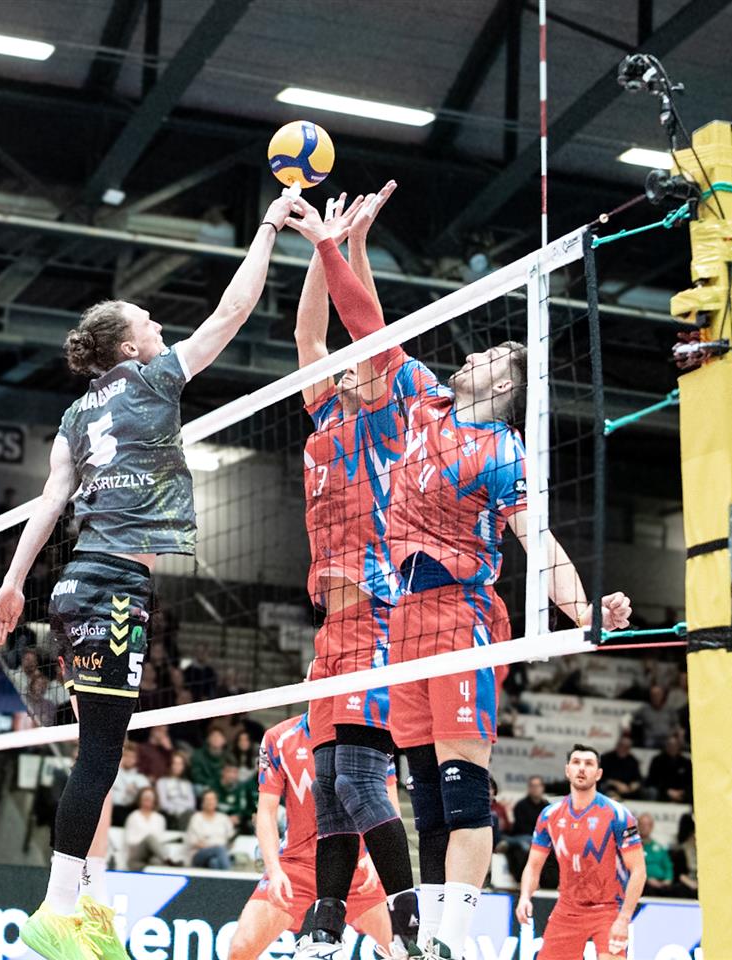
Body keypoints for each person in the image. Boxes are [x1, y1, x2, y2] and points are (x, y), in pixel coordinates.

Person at [290, 188, 635, 957]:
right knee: (423, 790)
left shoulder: (502, 451)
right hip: (401, 624)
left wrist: (584, 614)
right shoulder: (420, 402)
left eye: (488, 359)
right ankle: (433, 935)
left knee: (459, 782)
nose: (472, 357)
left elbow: (537, 540)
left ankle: (454, 934)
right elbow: (368, 328)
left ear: (505, 387)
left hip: (462, 616)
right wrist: (340, 245)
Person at [0, 191, 307, 960]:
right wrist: (268, 225)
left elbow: (50, 502)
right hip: (112, 590)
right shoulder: (155, 378)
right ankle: (56, 912)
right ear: (130, 347)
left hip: (75, 587)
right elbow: (233, 311)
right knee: (101, 756)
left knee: (100, 750)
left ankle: (90, 905)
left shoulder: (74, 417)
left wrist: (14, 581)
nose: (160, 327)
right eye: (149, 322)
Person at [288, 185, 420, 957]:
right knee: (333, 793)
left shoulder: (386, 419)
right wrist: (322, 246)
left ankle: (410, 925)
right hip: (331, 633)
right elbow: (310, 333)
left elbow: (364, 327)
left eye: (355, 364)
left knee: (363, 784)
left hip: (379, 619)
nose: (342, 365)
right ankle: (324, 927)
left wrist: (342, 249)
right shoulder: (324, 412)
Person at [229, 714, 391, 960]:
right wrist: (274, 869)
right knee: (240, 949)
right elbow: (266, 812)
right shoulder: (279, 737)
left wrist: (375, 855)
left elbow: (387, 800)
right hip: (297, 863)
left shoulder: (368, 733)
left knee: (404, 949)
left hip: (355, 864)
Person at [517, 745, 645, 960]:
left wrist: (624, 918)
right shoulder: (549, 815)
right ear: (567, 770)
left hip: (609, 908)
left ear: (599, 773)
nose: (582, 768)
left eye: (589, 764)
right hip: (567, 909)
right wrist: (524, 897)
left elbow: (639, 870)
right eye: (576, 762)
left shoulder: (618, 815)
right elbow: (533, 865)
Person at [502, 775, 550, 882]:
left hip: (542, 838)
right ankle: (523, 878)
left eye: (538, 786)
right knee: (525, 847)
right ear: (529, 788)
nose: (535, 789)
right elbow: (521, 826)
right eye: (532, 786)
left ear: (542, 788)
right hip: (524, 836)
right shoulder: (521, 805)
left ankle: (546, 879)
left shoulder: (547, 806)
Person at [185, 790, 235, 870]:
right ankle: (230, 874)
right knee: (219, 849)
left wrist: (228, 844)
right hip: (199, 854)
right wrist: (214, 847)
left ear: (216, 801)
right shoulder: (196, 818)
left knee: (214, 862)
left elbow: (231, 838)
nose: (210, 802)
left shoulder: (224, 818)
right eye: (207, 799)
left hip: (220, 854)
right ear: (202, 802)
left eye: (212, 799)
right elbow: (192, 842)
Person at [123, 787, 171, 870]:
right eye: (145, 799)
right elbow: (129, 840)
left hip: (152, 855)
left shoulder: (160, 818)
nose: (147, 801)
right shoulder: (133, 816)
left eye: (150, 799)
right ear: (140, 800)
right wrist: (146, 842)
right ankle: (168, 860)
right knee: (150, 838)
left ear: (154, 801)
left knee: (156, 861)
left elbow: (160, 839)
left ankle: (164, 862)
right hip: (137, 854)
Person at [644, 732, 692, 802]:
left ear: (679, 747)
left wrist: (682, 791)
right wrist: (667, 791)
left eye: (675, 745)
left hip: (682, 793)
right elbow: (653, 779)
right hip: (663, 791)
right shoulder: (657, 760)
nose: (672, 747)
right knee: (652, 791)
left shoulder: (686, 762)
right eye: (670, 745)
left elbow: (689, 781)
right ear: (666, 746)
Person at [155, 753, 197, 829]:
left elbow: (191, 804)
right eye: (175, 763)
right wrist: (178, 810)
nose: (177, 767)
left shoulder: (187, 784)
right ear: (170, 765)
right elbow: (163, 803)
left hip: (186, 814)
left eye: (180, 764)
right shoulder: (162, 782)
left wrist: (180, 809)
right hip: (169, 815)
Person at [637, 812, 674, 895]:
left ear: (652, 827)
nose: (644, 827)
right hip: (644, 883)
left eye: (648, 825)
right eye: (642, 824)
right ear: (638, 826)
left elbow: (668, 865)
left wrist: (668, 879)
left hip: (662, 883)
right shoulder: (633, 846)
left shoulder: (659, 847)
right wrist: (648, 879)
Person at [600, 734, 643, 800]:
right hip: (610, 787)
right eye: (622, 746)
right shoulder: (606, 758)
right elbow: (602, 777)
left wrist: (635, 784)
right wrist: (616, 783)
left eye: (627, 747)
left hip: (627, 789)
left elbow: (637, 778)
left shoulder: (633, 760)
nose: (624, 749)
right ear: (617, 746)